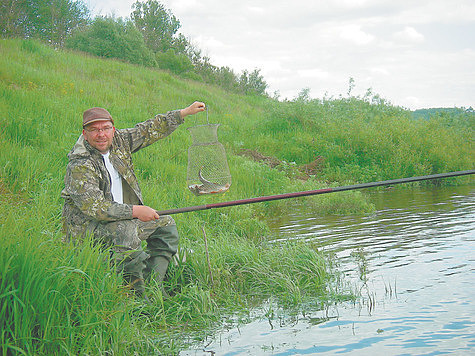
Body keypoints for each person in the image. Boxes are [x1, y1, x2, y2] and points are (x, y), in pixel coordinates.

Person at [61, 102, 206, 299]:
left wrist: (183, 113)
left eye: (105, 128)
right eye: (94, 130)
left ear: (113, 129)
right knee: (126, 232)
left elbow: (148, 130)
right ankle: (137, 300)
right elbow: (95, 208)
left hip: (122, 217)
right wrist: (136, 211)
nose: (101, 134)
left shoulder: (119, 141)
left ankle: (154, 287)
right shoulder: (80, 164)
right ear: (85, 134)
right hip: (88, 230)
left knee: (165, 225)